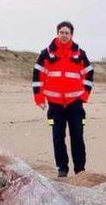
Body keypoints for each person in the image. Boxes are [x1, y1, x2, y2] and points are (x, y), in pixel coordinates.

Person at [32, 21, 94, 177]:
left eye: (67, 32)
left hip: (75, 104)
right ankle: (62, 168)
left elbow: (89, 73)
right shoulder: (46, 53)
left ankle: (80, 169)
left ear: (71, 35)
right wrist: (39, 98)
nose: (64, 35)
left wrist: (84, 95)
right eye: (61, 32)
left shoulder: (80, 53)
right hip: (55, 106)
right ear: (57, 33)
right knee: (58, 137)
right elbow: (38, 75)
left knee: (77, 136)